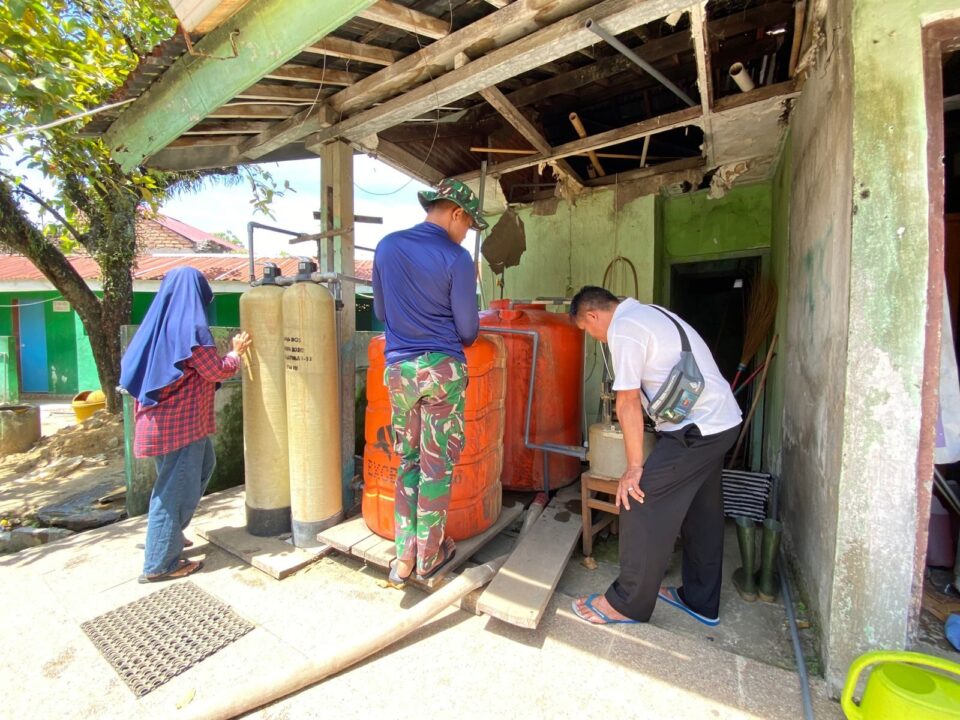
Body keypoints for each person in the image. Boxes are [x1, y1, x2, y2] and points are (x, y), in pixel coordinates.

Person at [569, 286, 742, 626]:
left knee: (637, 498)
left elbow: (628, 400)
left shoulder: (624, 328)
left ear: (592, 315)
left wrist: (634, 468)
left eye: (588, 331)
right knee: (702, 512)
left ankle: (627, 603)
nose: (595, 339)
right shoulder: (652, 314)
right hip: (722, 422)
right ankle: (700, 600)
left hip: (697, 431)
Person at [372, 178, 486, 586]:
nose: (466, 233)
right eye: (468, 224)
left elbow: (382, 312)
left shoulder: (386, 246)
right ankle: (429, 554)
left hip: (399, 372)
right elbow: (469, 331)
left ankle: (403, 558)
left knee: (408, 462)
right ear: (455, 213)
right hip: (442, 373)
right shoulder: (456, 258)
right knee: (436, 467)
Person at [120, 267, 252, 583]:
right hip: (180, 425)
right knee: (173, 490)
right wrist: (235, 352)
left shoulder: (157, 326)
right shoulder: (191, 329)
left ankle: (169, 536)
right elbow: (215, 370)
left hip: (156, 421)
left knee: (203, 465)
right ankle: (160, 563)